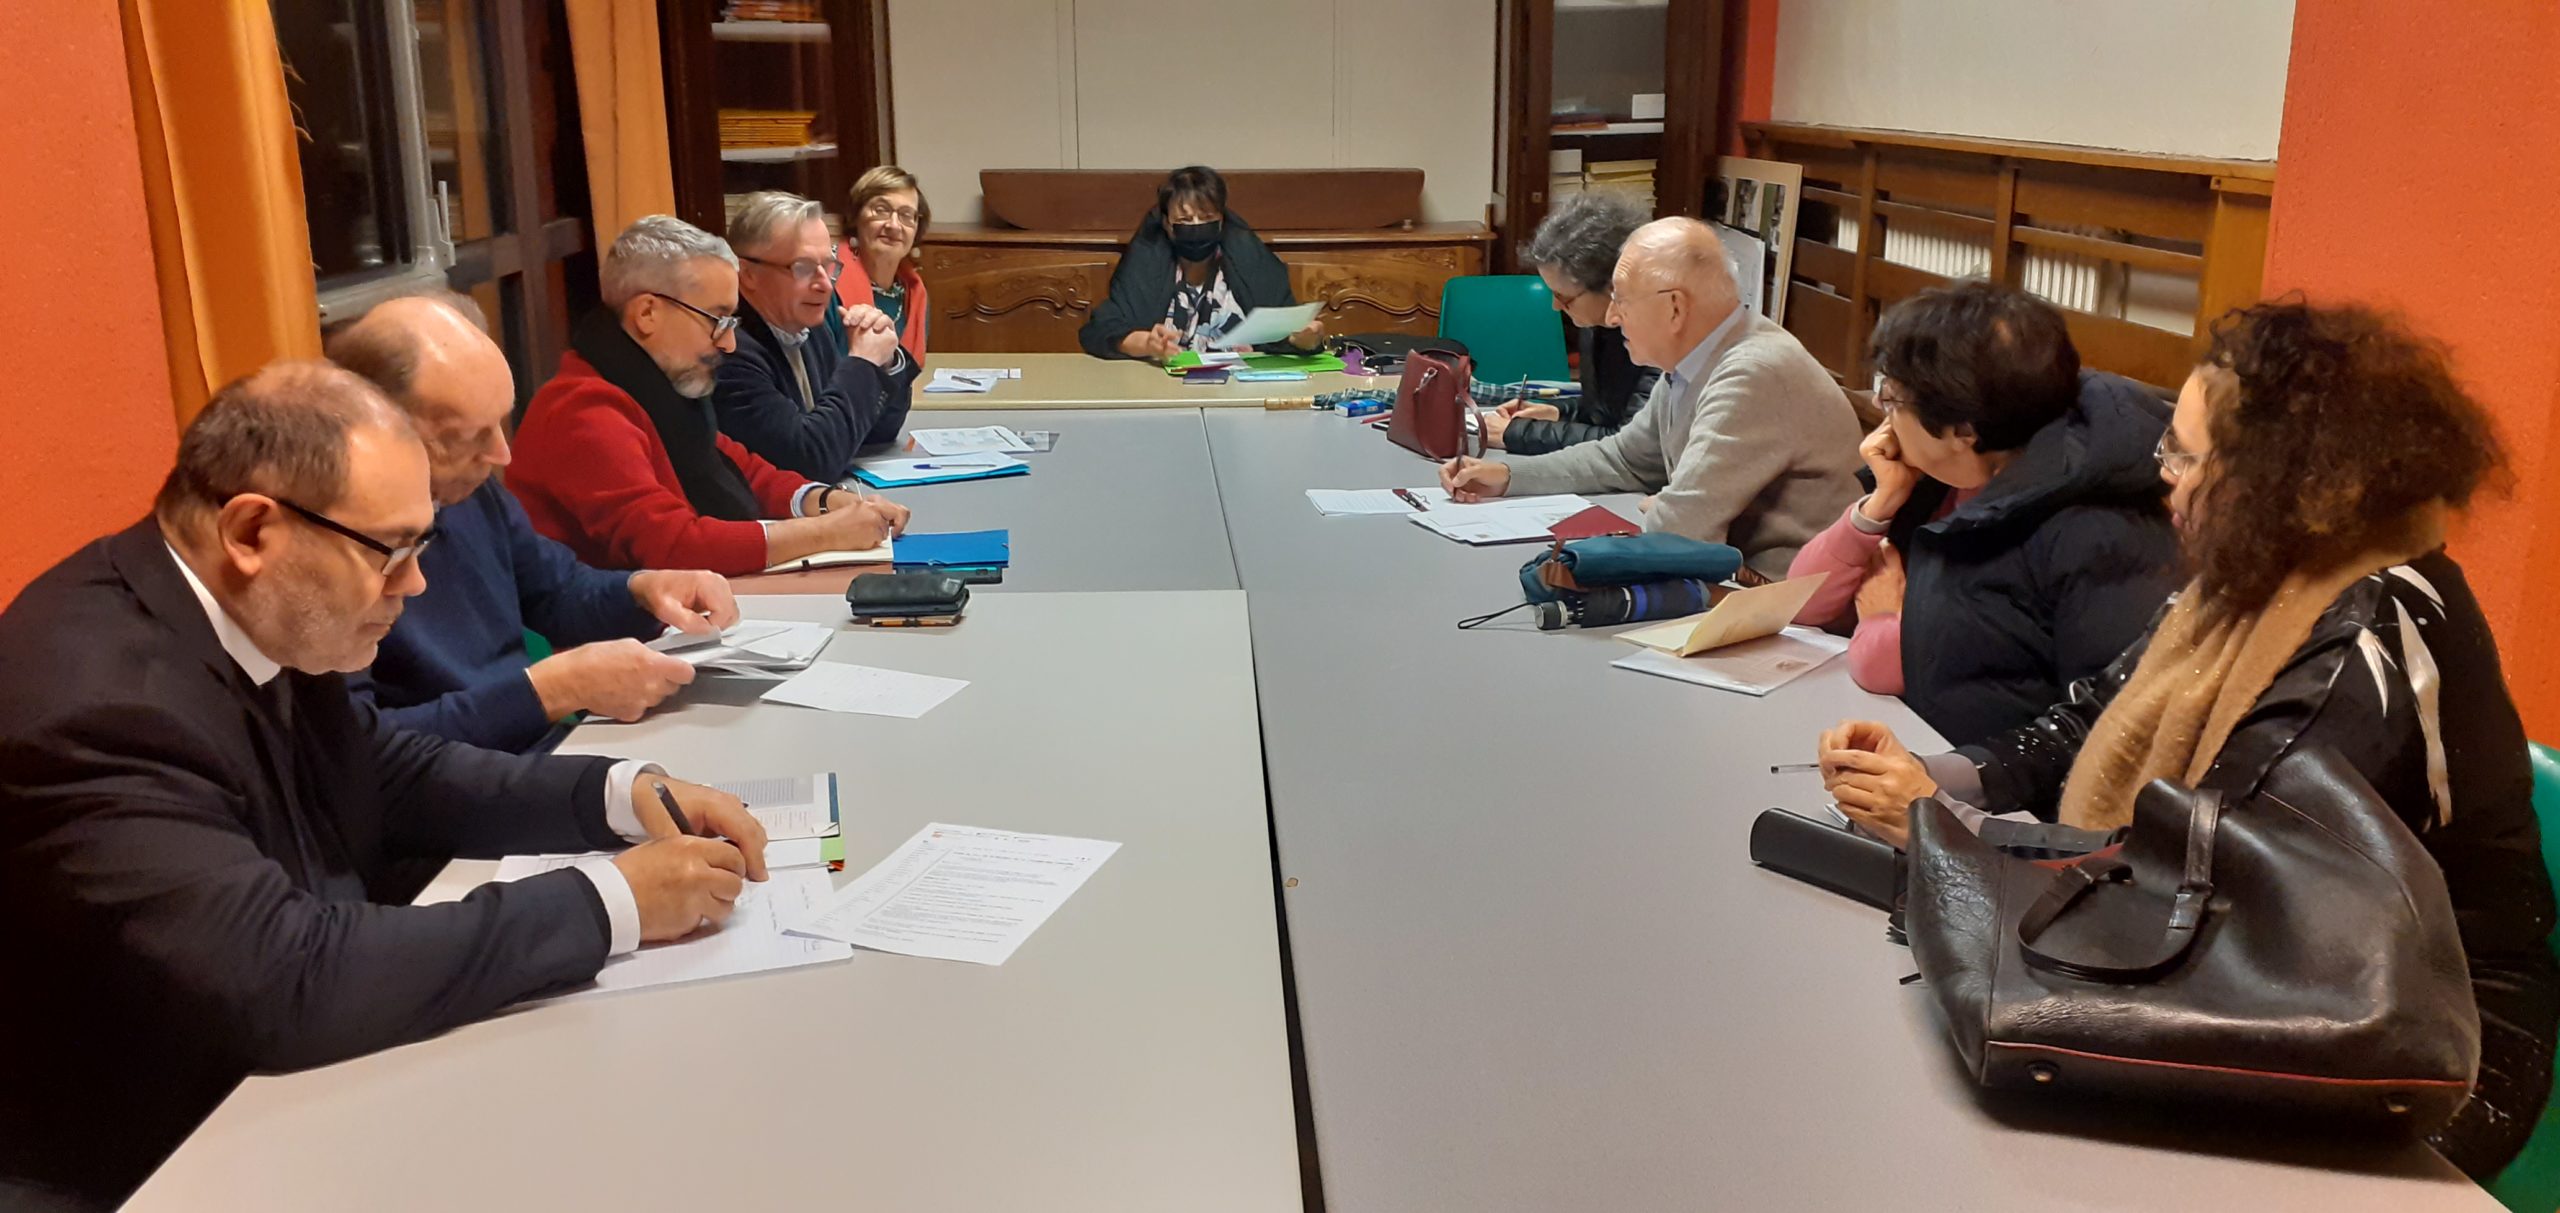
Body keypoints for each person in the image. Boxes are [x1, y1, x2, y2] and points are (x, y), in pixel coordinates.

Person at [1814, 300, 2558, 1179]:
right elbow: (2090, 715)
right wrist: (1942, 776)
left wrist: (1947, 830)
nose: (2163, 474)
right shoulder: (2268, 572)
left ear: (2284, 478)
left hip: (2423, 1046)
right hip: (2284, 972)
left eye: (2186, 455)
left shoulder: (2362, 644)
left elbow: (2198, 890)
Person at [0, 362, 771, 1209]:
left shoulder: (253, 604)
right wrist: (611, 902)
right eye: (391, 552)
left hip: (273, 1079)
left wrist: (614, 795)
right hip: (152, 1154)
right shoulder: (97, 706)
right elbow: (285, 978)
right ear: (252, 530)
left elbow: (384, 770)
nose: (416, 584)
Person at [329, 292, 739, 751]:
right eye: (466, 437)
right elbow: (362, 753)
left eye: (500, 423)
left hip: (544, 753)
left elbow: (558, 591)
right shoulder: (331, 551)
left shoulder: (469, 491)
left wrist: (645, 591)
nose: (500, 454)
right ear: (375, 429)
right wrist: (551, 691)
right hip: (461, 777)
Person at [1787, 281, 2180, 747]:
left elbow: (2097, 728)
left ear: (1962, 430)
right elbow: (1801, 603)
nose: (1879, 408)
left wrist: (1885, 619)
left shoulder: (2090, 528)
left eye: (1892, 397)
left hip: (1995, 777)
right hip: (1930, 751)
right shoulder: (1943, 476)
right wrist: (1879, 506)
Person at [1441, 217, 1863, 578]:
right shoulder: (1699, 359)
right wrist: (1510, 476)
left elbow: (1680, 530)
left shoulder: (1751, 372)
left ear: (1675, 308)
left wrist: (1667, 505)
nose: (1612, 316)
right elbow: (1624, 459)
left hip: (1784, 603)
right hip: (1740, 581)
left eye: (1622, 300)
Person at [508, 215, 910, 575]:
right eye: (717, 320)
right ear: (647, 313)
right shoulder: (584, 410)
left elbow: (739, 467)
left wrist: (823, 500)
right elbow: (671, 545)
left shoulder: (647, 383)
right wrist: (826, 532)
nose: (729, 343)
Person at [716, 190, 914, 480]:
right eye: (804, 268)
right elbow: (809, 462)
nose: (826, 285)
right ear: (748, 274)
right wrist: (863, 364)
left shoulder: (808, 326)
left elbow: (875, 432)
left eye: (828, 266)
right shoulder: (729, 352)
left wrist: (885, 362)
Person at [1078, 164, 1324, 362]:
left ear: (1222, 220)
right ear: (1167, 224)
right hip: (1163, 390)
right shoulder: (1146, 268)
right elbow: (1099, 331)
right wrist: (1145, 344)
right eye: (1185, 220)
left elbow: (1284, 333)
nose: (1196, 226)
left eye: (1206, 217)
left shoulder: (1250, 265)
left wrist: (1302, 340)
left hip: (1239, 390)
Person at [1483, 192, 1659, 455]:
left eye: (1564, 298)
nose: (1556, 307)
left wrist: (1518, 433)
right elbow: (1604, 413)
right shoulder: (1595, 324)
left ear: (1612, 287)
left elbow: (1628, 445)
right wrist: (1557, 412)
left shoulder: (1661, 341)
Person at [833, 164, 932, 365]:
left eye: (906, 215)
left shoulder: (915, 294)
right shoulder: (828, 285)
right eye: (881, 210)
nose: (894, 225)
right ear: (855, 217)